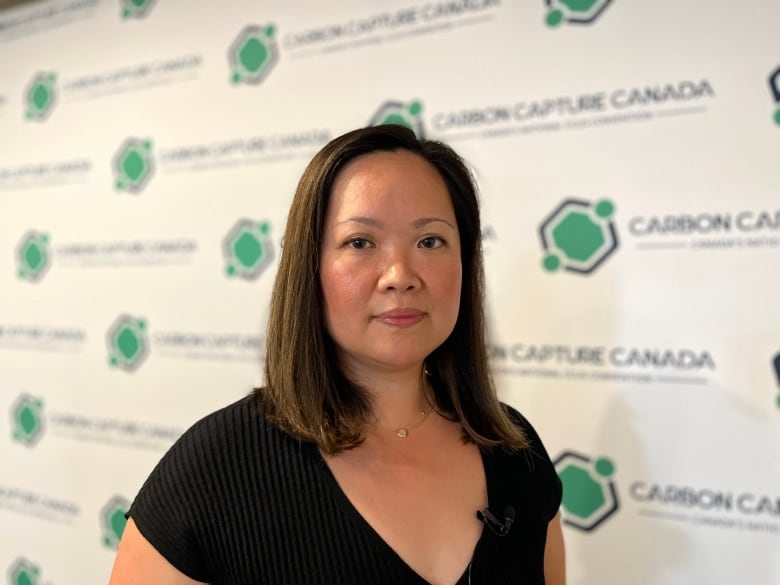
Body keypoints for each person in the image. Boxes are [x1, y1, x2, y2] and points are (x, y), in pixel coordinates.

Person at [108, 125, 565, 585]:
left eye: (430, 241)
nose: (400, 276)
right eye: (360, 242)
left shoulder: (516, 451)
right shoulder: (214, 468)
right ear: (310, 267)